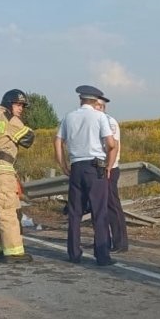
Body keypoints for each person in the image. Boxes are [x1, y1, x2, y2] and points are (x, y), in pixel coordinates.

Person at [54, 85, 118, 266]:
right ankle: (102, 255)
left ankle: (74, 253)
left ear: (81, 99)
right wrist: (108, 162)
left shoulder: (69, 116)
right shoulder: (99, 117)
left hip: (76, 166)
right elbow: (111, 143)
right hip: (95, 166)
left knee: (75, 212)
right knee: (99, 212)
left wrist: (63, 165)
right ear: (96, 100)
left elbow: (57, 141)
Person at [0, 89, 35, 263]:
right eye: (18, 104)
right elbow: (28, 139)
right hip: (1, 171)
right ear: (9, 104)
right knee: (8, 212)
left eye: (23, 106)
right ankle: (14, 253)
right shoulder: (10, 119)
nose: (21, 108)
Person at [94, 99, 129, 253]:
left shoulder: (109, 121)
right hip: (95, 167)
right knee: (98, 206)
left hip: (109, 167)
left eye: (98, 106)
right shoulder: (92, 121)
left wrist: (108, 167)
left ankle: (120, 242)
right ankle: (103, 241)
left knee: (112, 205)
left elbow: (112, 146)